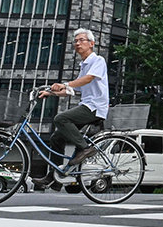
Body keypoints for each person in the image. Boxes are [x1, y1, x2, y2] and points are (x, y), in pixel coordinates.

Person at [32, 28, 109, 190]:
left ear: (91, 43)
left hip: (95, 107)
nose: (77, 43)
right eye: (75, 41)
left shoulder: (98, 61)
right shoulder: (84, 65)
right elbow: (74, 90)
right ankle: (54, 177)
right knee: (56, 138)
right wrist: (50, 92)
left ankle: (86, 149)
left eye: (81, 40)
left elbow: (87, 79)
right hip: (86, 106)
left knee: (60, 119)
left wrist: (65, 84)